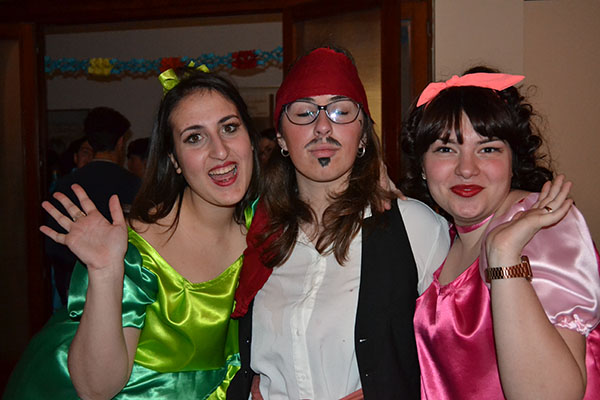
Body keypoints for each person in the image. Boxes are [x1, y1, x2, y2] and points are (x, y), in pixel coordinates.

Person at [4, 69, 261, 399]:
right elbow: (97, 389)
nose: (221, 151)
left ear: (250, 139)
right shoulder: (136, 250)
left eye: (229, 128)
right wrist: (105, 271)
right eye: (194, 138)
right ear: (174, 160)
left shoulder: (270, 227)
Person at [229, 46, 451, 399]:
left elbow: (459, 351)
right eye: (304, 113)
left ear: (362, 133)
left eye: (340, 111)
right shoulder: (253, 231)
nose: (322, 127)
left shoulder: (412, 228)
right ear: (281, 137)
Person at [401, 68, 600, 399]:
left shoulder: (543, 228)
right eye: (445, 149)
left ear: (513, 160)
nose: (467, 168)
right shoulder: (440, 238)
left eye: (488, 149)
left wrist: (504, 256)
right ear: (422, 165)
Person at [45, 107, 142, 305]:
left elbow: (54, 245)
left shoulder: (65, 184)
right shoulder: (136, 185)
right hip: (125, 289)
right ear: (120, 142)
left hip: (74, 288)